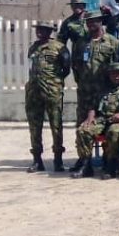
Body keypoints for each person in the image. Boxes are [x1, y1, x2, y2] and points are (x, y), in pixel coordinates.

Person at [70, 63, 119, 180]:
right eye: (113, 74)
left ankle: (111, 166)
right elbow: (93, 106)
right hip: (102, 119)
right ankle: (86, 166)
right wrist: (90, 117)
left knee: (114, 131)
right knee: (83, 130)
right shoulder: (103, 89)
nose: (115, 76)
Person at [25, 20, 70, 173]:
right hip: (33, 92)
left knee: (56, 125)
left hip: (52, 91)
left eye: (43, 29)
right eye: (38, 29)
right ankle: (37, 160)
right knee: (34, 126)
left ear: (50, 32)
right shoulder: (33, 47)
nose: (40, 32)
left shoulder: (59, 47)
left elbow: (66, 68)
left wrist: (54, 82)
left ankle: (58, 159)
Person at [71, 10, 119, 125]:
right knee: (82, 122)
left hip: (105, 88)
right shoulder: (81, 42)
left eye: (94, 21)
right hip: (85, 89)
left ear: (101, 21)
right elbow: (75, 64)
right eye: (88, 21)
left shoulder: (113, 42)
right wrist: (80, 80)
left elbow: (117, 64)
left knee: (106, 120)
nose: (91, 24)